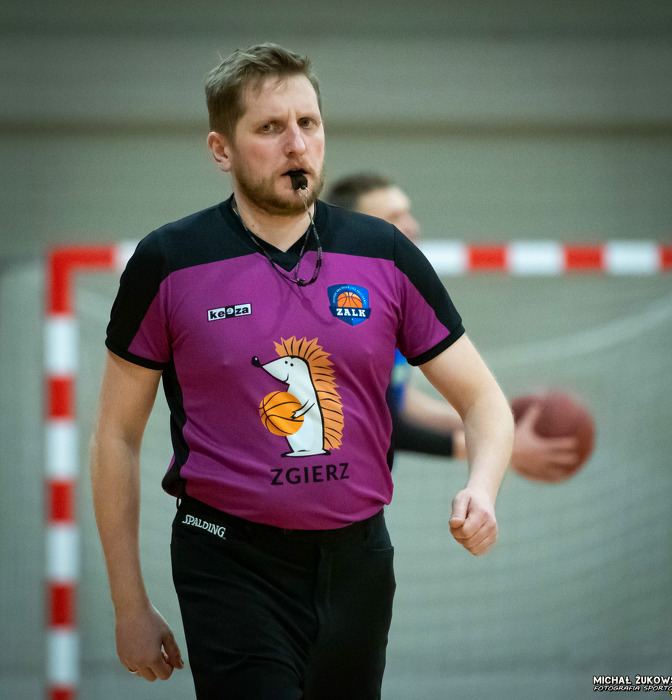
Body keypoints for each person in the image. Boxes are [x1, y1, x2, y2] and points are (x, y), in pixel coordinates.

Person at [90, 43, 514, 700]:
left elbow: (483, 400)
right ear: (221, 149)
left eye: (308, 123)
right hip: (228, 560)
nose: (297, 144)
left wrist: (482, 490)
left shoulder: (384, 253)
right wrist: (129, 604)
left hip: (359, 563)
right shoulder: (170, 261)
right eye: (270, 127)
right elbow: (115, 436)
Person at [326, 173, 580, 473]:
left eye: (408, 213)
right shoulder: (344, 308)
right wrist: (498, 447)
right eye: (394, 217)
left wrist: (489, 420)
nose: (412, 226)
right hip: (331, 486)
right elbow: (377, 421)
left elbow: (396, 400)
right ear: (356, 230)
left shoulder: (395, 294)